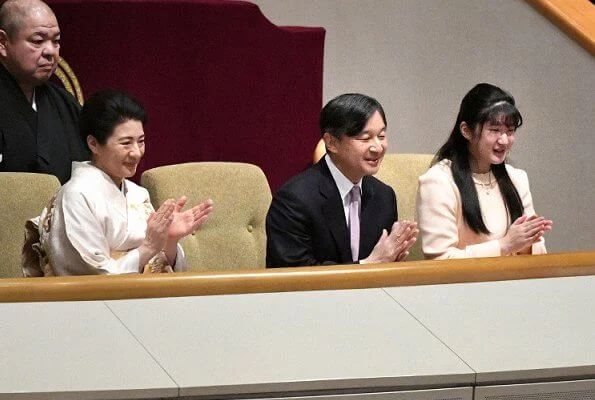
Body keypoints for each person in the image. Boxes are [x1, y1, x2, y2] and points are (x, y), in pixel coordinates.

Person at [32, 90, 213, 275]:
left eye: (141, 141)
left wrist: (169, 241)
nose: (136, 152)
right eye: (126, 143)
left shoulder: (137, 194)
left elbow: (161, 266)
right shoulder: (76, 195)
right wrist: (149, 247)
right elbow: (92, 278)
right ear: (93, 144)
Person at [266, 93, 418, 267]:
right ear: (331, 142)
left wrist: (391, 260)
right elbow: (293, 273)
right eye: (365, 138)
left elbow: (382, 265)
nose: (378, 147)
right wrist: (369, 264)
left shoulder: (384, 196)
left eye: (382, 136)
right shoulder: (294, 199)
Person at [415, 83, 552, 259]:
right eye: (494, 130)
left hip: (514, 283)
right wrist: (505, 245)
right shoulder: (438, 182)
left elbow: (538, 254)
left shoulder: (517, 178)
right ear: (466, 131)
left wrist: (527, 242)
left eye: (510, 131)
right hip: (462, 286)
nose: (504, 140)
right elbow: (440, 260)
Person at [0, 0, 88, 184]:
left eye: (56, 41)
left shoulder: (64, 103)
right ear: (3, 43)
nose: (50, 51)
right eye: (38, 41)